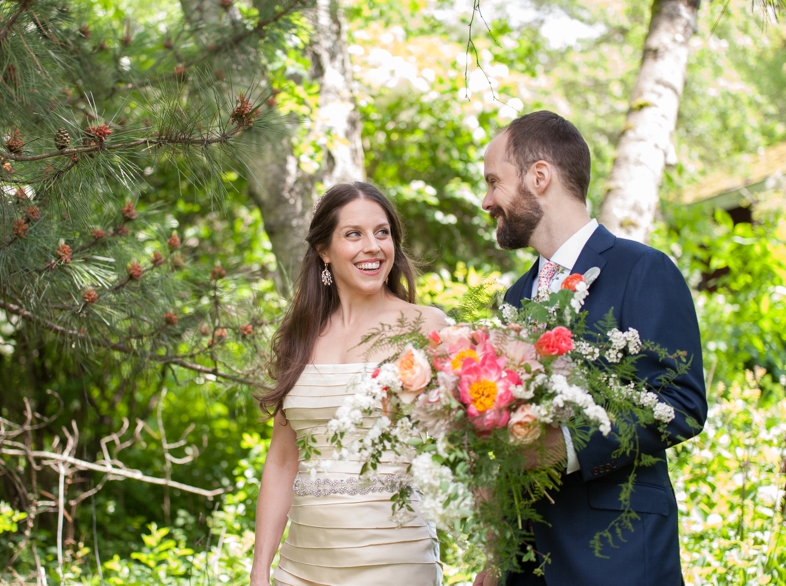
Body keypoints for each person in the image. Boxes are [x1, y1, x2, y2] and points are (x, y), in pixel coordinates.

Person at [474, 111, 707, 586]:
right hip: (526, 565)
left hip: (615, 555)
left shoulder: (643, 270)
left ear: (539, 176)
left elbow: (680, 404)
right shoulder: (517, 297)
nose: (486, 201)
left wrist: (568, 446)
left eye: (494, 182)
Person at [251, 182, 448, 586]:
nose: (373, 246)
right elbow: (283, 461)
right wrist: (259, 571)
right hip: (300, 565)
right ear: (324, 250)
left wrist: (496, 548)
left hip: (393, 558)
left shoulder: (427, 326)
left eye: (382, 232)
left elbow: (472, 444)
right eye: (353, 234)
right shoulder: (300, 336)